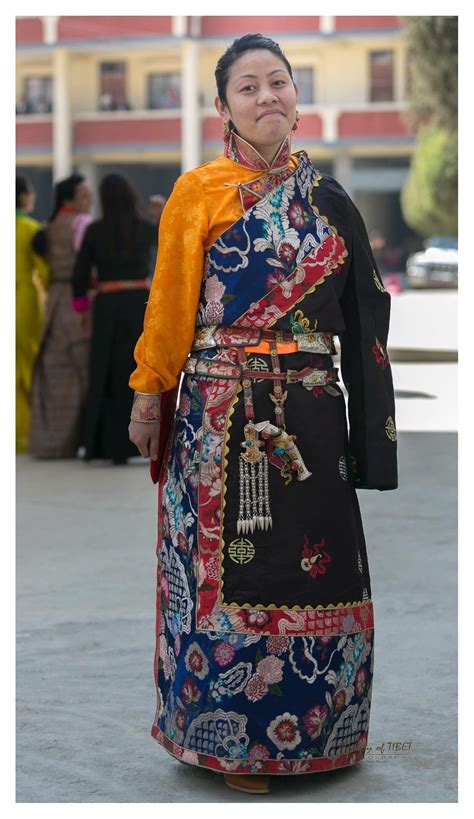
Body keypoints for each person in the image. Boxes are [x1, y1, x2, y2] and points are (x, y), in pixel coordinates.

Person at [128, 34, 398, 795]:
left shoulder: (332, 201)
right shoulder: (198, 193)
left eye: (278, 81)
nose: (266, 96)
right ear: (224, 108)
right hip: (219, 419)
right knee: (223, 571)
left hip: (311, 417)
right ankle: (233, 742)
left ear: (296, 98)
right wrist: (150, 393)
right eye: (247, 87)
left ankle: (324, 732)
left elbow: (366, 322)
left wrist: (372, 441)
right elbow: (170, 306)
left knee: (321, 563)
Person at [72, 173, 156, 463]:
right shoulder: (146, 228)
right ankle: (145, 443)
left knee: (106, 373)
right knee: (137, 369)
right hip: (139, 305)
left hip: (107, 308)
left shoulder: (94, 231)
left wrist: (81, 310)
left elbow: (79, 276)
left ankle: (107, 446)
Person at [28, 174, 93, 458]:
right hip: (80, 304)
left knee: (53, 372)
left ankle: (51, 442)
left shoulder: (48, 228)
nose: (89, 201)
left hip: (54, 304)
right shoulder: (83, 226)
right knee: (83, 371)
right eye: (84, 196)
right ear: (70, 199)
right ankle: (83, 439)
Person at [16, 176, 50, 453]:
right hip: (22, 299)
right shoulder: (29, 228)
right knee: (27, 366)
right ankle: (22, 436)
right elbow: (45, 271)